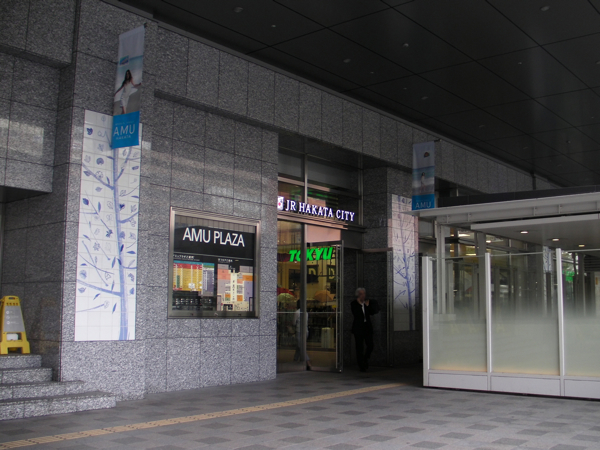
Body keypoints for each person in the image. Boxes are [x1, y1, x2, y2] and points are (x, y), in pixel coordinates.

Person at [351, 287, 376, 372]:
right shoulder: (354, 303)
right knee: (359, 347)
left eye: (364, 294)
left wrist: (367, 306)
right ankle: (361, 365)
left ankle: (365, 359)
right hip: (358, 328)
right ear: (358, 295)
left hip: (367, 327)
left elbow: (372, 312)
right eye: (361, 294)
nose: (363, 296)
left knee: (370, 345)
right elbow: (356, 314)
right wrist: (360, 304)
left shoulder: (367, 303)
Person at [293, 300, 312, 370]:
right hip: (306, 331)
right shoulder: (306, 312)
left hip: (299, 331)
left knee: (301, 347)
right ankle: (294, 360)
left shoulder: (297, 312)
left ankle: (308, 362)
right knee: (299, 347)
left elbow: (294, 322)